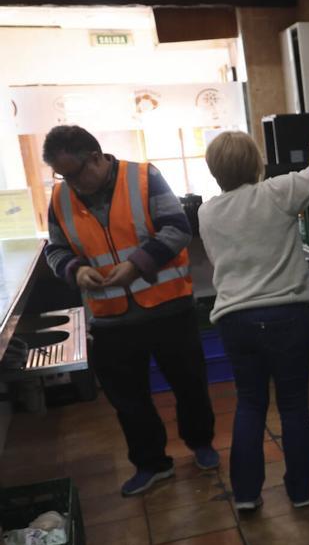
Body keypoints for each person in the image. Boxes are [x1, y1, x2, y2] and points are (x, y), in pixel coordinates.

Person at [42, 125, 218, 496]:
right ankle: (152, 464)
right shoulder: (59, 198)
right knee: (128, 400)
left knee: (190, 385)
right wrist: (76, 270)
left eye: (74, 173)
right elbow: (56, 250)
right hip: (109, 318)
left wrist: (138, 263)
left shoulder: (143, 177)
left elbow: (177, 227)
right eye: (62, 175)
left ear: (95, 157)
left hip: (168, 308)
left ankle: (202, 444)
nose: (70, 183)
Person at [198, 129, 309, 511]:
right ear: (257, 164)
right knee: (293, 405)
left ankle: (245, 495)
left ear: (213, 171)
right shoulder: (277, 192)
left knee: (250, 404)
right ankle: (300, 493)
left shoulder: (207, 211)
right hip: (286, 315)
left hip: (235, 320)